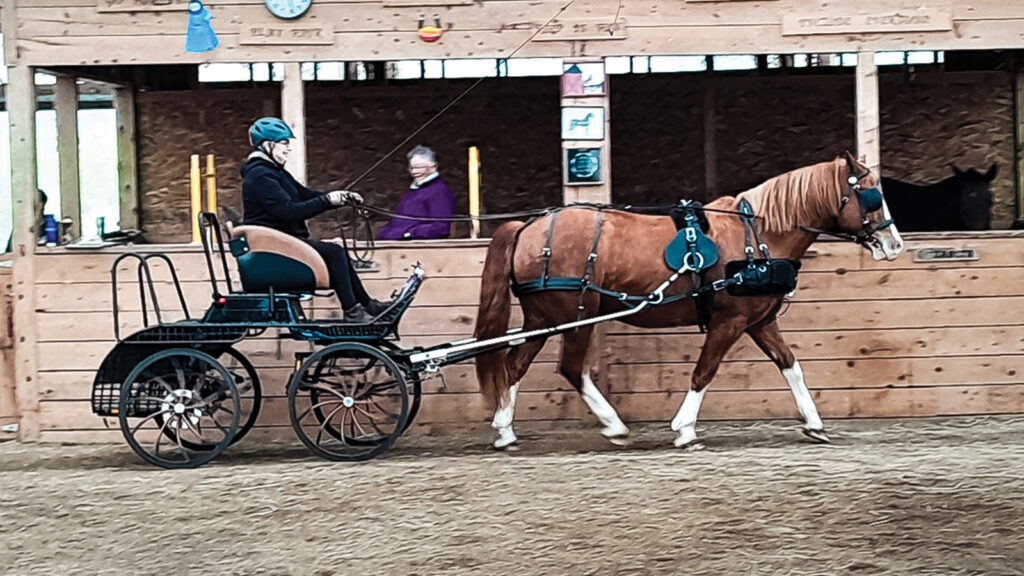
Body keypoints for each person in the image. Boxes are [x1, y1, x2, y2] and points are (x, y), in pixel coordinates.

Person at [240, 117, 388, 324]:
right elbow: (289, 211)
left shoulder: (274, 173)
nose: (288, 149)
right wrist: (328, 200)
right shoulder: (260, 176)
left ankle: (367, 306)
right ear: (268, 145)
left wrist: (339, 198)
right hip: (273, 249)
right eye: (284, 143)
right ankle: (354, 312)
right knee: (334, 252)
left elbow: (306, 195)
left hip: (283, 244)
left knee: (336, 250)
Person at [377, 145, 456, 240]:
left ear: (433, 167)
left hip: (418, 247)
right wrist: (385, 233)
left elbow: (440, 227)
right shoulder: (412, 191)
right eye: (411, 168)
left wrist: (408, 233)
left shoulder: (439, 191)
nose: (414, 172)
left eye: (419, 167)